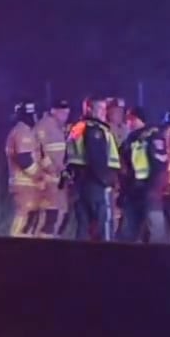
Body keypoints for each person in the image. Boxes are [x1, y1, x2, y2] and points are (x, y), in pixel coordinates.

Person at [65, 95, 120, 241]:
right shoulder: (95, 129)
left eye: (104, 108)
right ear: (89, 109)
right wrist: (107, 181)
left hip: (80, 183)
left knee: (83, 228)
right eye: (99, 108)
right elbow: (97, 158)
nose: (103, 112)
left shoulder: (76, 128)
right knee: (104, 226)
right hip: (97, 184)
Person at [118, 116, 170, 243]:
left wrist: (155, 191)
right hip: (135, 192)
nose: (128, 122)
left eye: (131, 119)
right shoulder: (132, 138)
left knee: (156, 233)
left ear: (139, 119)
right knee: (129, 233)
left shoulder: (154, 136)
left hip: (148, 192)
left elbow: (160, 166)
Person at [3, 99, 45, 237]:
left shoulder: (26, 131)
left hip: (29, 185)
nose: (37, 118)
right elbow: (24, 160)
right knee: (24, 221)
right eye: (35, 114)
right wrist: (40, 175)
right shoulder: (22, 132)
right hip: (24, 185)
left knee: (30, 223)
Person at [32, 97, 72, 236]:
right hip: (48, 180)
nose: (65, 116)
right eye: (62, 112)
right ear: (53, 111)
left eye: (67, 113)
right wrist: (51, 169)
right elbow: (38, 151)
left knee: (62, 214)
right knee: (48, 217)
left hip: (59, 181)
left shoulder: (61, 128)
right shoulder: (43, 127)